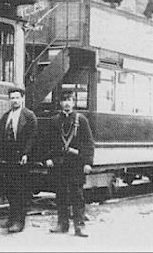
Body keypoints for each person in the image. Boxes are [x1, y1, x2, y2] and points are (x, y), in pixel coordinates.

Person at [45, 90, 94, 237]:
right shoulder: (54, 121)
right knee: (60, 195)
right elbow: (48, 143)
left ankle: (79, 226)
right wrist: (48, 158)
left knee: (77, 196)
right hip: (59, 164)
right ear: (60, 103)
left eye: (70, 100)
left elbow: (89, 143)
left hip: (76, 165)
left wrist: (87, 162)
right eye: (64, 100)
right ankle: (62, 224)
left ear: (73, 102)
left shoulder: (82, 120)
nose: (67, 103)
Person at [0, 87, 38, 233]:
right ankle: (12, 218)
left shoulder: (29, 116)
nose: (15, 100)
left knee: (21, 189)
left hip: (21, 158)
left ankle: (20, 222)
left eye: (17, 98)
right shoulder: (6, 116)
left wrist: (26, 154)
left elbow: (33, 138)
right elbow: (0, 136)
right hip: (8, 157)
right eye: (12, 98)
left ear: (22, 99)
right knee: (10, 189)